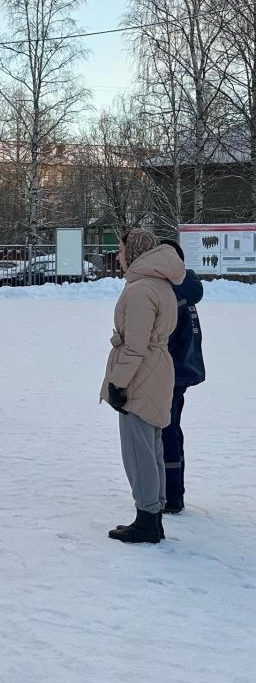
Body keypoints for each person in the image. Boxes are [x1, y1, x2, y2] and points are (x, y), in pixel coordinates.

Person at [102, 230, 185, 545]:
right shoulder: (161, 284)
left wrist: (117, 383)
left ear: (134, 250)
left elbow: (135, 347)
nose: (118, 255)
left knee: (139, 451)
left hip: (141, 375)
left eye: (121, 249)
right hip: (157, 371)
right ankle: (153, 517)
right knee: (153, 447)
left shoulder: (140, 289)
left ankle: (147, 519)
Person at [157, 239, 206, 515]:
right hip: (184, 370)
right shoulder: (186, 287)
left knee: (167, 432)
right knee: (172, 430)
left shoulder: (173, 291)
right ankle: (175, 492)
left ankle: (172, 496)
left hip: (172, 372)